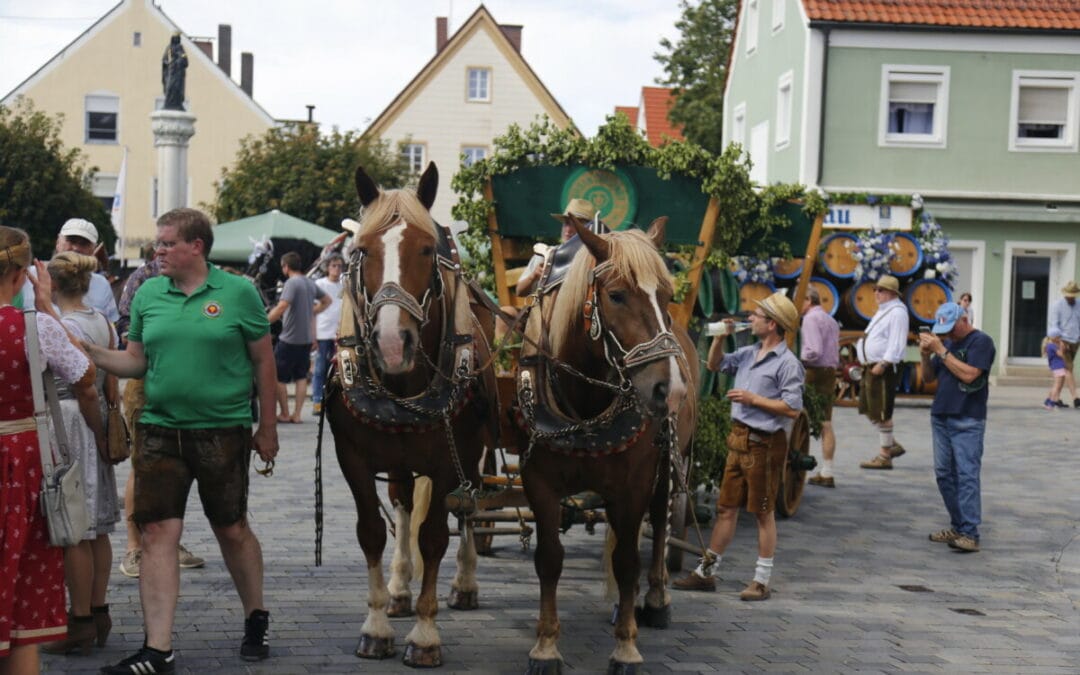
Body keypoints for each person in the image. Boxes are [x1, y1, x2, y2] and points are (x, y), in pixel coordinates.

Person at [87, 208, 279, 673]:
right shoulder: (151, 293)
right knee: (156, 534)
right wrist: (91, 352)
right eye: (157, 243)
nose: (158, 251)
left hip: (223, 431)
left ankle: (255, 615)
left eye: (167, 243)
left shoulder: (239, 293)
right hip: (158, 430)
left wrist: (267, 428)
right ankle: (159, 649)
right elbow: (136, 361)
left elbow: (264, 363)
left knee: (231, 528)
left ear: (197, 246)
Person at [0, 227, 102, 674]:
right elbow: (84, 373)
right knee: (22, 595)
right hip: (19, 463)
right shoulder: (34, 326)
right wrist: (46, 306)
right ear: (24, 272)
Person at [672, 291, 804, 600]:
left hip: (764, 445)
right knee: (726, 508)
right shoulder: (749, 352)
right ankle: (706, 573)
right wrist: (719, 337)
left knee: (762, 511)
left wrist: (752, 399)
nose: (751, 319)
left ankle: (761, 580)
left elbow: (792, 408)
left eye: (757, 316)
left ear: (772, 324)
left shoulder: (787, 363)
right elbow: (716, 365)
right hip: (739, 440)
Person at [37, 252, 117, 656]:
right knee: (97, 527)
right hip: (96, 421)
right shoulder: (102, 321)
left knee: (74, 527)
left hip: (70, 423)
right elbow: (109, 382)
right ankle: (99, 610)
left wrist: (96, 430)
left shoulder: (58, 324)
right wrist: (106, 427)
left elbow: (81, 384)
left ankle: (80, 619)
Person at [114, 250, 205, 579]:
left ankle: (167, 542)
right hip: (148, 381)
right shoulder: (144, 278)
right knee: (143, 464)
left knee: (176, 468)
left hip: (188, 385)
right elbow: (124, 328)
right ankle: (134, 548)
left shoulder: (200, 279)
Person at [918, 302, 995, 553]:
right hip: (940, 415)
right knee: (943, 474)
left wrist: (940, 350)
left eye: (951, 328)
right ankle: (958, 525)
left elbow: (971, 375)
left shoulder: (981, 342)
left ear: (963, 320)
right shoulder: (947, 343)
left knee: (967, 475)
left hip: (968, 418)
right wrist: (923, 355)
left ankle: (970, 533)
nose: (948, 334)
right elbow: (929, 378)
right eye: (944, 330)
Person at [267, 251, 329, 423]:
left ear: (286, 267)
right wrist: (311, 312)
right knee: (301, 377)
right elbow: (327, 300)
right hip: (306, 339)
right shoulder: (309, 283)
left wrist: (264, 322)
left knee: (279, 377)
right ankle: (297, 415)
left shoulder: (291, 283)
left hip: (289, 338)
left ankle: (285, 413)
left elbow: (282, 306)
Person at [857, 275, 910, 470]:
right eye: (875, 289)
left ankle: (884, 455)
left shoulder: (897, 312)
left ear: (892, 293)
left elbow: (896, 342)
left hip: (881, 368)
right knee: (870, 408)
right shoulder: (884, 311)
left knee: (881, 410)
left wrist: (885, 363)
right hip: (872, 366)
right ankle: (891, 443)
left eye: (881, 290)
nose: (876, 293)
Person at [514, 198, 600, 297]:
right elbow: (519, 292)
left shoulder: (594, 260)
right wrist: (533, 276)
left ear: (588, 230)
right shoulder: (546, 255)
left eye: (576, 225)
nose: (568, 230)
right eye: (566, 223)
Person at [801, 288, 840, 487]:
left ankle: (799, 466)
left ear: (808, 300)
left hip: (814, 372)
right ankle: (827, 471)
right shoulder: (830, 319)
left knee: (799, 420)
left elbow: (814, 351)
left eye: (800, 300)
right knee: (826, 423)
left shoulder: (809, 319)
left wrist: (797, 359)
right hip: (829, 371)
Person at [50, 218, 121, 324]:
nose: (76, 248)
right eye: (71, 240)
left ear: (94, 249)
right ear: (58, 242)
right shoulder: (33, 276)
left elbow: (111, 326)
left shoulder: (101, 284)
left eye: (84, 243)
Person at [311, 254, 344, 416]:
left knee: (340, 371)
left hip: (340, 333)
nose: (337, 269)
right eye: (333, 266)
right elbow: (313, 311)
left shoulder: (344, 284)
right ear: (327, 267)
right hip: (323, 332)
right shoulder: (320, 284)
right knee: (320, 369)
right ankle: (317, 401)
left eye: (339, 266)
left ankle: (334, 401)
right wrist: (313, 334)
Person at [1047, 281, 1080, 408]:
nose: (1070, 297)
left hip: (1075, 341)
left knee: (1062, 372)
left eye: (1073, 295)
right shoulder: (1057, 306)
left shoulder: (1079, 305)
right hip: (1062, 340)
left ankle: (1055, 399)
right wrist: (1059, 342)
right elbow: (1054, 325)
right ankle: (1076, 397)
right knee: (1068, 368)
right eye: (1069, 295)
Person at [1043, 328, 1067, 410]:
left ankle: (1047, 401)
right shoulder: (1052, 346)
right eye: (1059, 337)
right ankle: (1051, 403)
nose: (1060, 339)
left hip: (1057, 367)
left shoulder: (1050, 345)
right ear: (1055, 338)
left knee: (1056, 386)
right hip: (1058, 367)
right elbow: (1060, 354)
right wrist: (1061, 347)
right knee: (1057, 386)